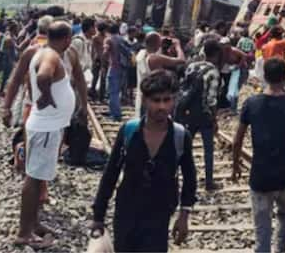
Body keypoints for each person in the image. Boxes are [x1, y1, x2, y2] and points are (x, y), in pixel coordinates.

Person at [92, 69, 195, 252]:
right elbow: (111, 174)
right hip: (127, 211)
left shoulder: (179, 136)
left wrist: (184, 215)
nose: (162, 106)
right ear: (145, 100)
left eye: (167, 100)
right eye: (156, 100)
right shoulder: (129, 131)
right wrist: (98, 216)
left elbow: (190, 179)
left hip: (160, 213)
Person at [232, 58, 285, 253]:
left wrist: (235, 164)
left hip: (260, 173)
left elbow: (238, 139)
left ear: (264, 76)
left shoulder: (251, 103)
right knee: (284, 214)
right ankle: (280, 250)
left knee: (262, 223)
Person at [14, 21, 76, 248]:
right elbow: (43, 77)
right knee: (33, 179)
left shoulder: (43, 52)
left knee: (38, 177)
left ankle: (34, 223)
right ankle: (24, 232)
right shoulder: (51, 56)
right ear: (67, 39)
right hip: (46, 128)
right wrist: (48, 97)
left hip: (45, 126)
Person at [176, 39, 221, 191]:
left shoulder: (192, 66)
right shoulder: (213, 71)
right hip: (204, 115)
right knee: (208, 149)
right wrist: (214, 119)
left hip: (188, 113)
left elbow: (183, 87)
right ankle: (209, 182)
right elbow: (211, 99)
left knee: (182, 146)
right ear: (216, 54)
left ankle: (173, 176)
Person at [135, 32, 185, 117]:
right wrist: (177, 46)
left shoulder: (141, 54)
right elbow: (181, 60)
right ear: (158, 43)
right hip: (156, 93)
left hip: (143, 93)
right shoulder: (155, 58)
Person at [103, 23, 129, 121]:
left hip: (113, 67)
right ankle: (113, 111)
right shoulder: (122, 39)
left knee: (112, 92)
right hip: (122, 68)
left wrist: (103, 61)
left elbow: (105, 52)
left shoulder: (109, 39)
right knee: (116, 91)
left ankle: (116, 115)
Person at [0, 21, 20, 96]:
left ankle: (4, 90)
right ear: (14, 29)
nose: (18, 29)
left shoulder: (12, 36)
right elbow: (18, 48)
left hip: (10, 58)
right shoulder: (9, 39)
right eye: (17, 28)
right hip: (8, 59)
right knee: (6, 75)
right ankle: (1, 91)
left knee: (8, 75)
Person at [90, 21, 108, 101]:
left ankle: (101, 95)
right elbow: (94, 49)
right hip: (98, 59)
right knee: (96, 77)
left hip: (104, 59)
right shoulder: (96, 38)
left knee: (103, 78)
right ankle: (93, 92)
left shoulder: (106, 37)